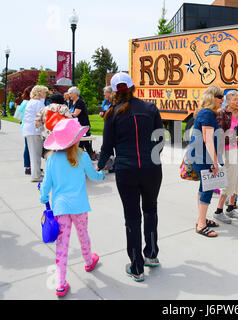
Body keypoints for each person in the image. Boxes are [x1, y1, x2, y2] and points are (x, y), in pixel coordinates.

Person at [97, 72, 164, 282]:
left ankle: (136, 266)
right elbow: (160, 139)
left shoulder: (112, 113)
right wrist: (150, 157)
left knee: (132, 217)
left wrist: (99, 167)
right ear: (134, 87)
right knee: (151, 210)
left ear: (114, 91)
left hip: (126, 170)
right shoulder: (151, 108)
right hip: (152, 167)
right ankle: (151, 254)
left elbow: (106, 147)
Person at [40, 118, 105, 297]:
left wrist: (43, 197)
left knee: (62, 245)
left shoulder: (51, 159)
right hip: (80, 207)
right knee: (83, 235)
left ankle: (60, 283)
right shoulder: (82, 156)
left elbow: (46, 185)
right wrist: (102, 175)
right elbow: (93, 175)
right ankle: (88, 261)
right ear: (76, 138)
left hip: (60, 209)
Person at [187, 85, 224, 238]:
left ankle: (201, 219)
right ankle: (201, 224)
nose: (222, 100)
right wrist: (215, 162)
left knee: (204, 187)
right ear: (212, 98)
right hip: (204, 158)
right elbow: (208, 139)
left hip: (202, 156)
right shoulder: (207, 114)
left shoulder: (206, 113)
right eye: (219, 97)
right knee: (208, 188)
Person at [214, 90, 238, 224]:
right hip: (229, 151)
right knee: (229, 179)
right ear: (228, 101)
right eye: (235, 100)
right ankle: (218, 211)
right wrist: (234, 138)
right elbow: (219, 136)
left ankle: (230, 207)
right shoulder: (222, 114)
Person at [22, 85, 48, 182]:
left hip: (30, 130)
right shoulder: (38, 103)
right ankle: (36, 176)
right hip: (34, 131)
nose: (45, 94)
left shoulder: (32, 102)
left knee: (34, 154)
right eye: (44, 92)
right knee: (35, 155)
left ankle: (35, 174)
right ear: (40, 93)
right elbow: (43, 117)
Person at [68, 86, 95, 160]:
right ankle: (82, 156)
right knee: (79, 142)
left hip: (83, 125)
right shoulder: (71, 102)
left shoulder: (80, 102)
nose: (69, 95)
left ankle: (90, 155)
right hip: (75, 125)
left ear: (75, 93)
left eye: (70, 93)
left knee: (84, 141)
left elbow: (76, 113)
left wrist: (66, 114)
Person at [16, 85, 34, 175]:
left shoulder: (24, 102)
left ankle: (29, 166)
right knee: (28, 147)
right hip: (28, 127)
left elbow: (18, 115)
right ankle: (28, 167)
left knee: (28, 147)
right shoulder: (28, 103)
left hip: (24, 126)